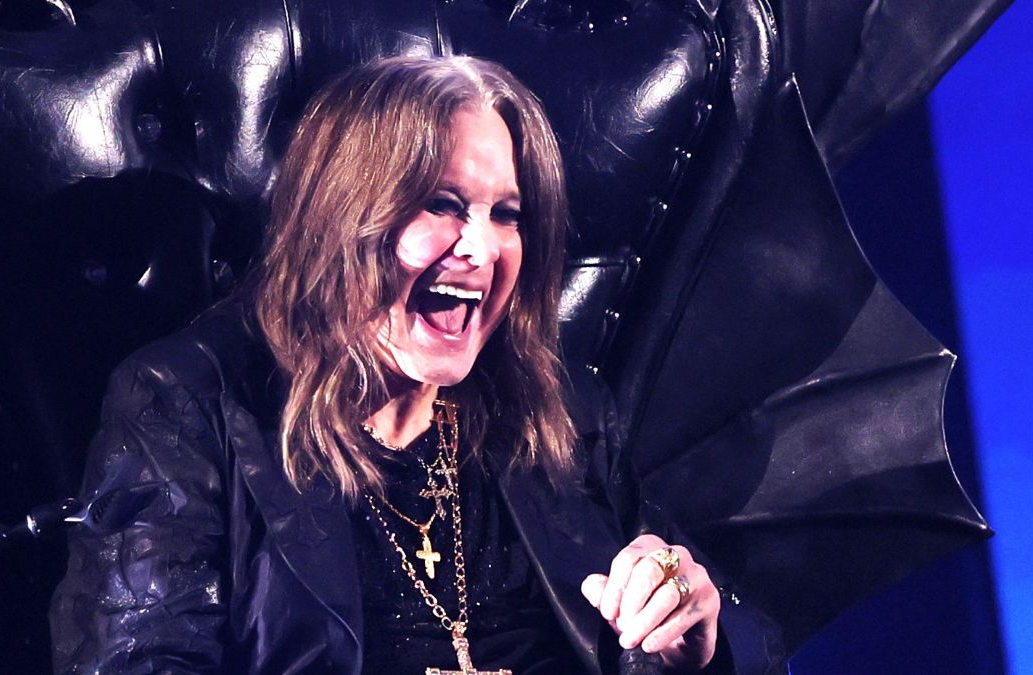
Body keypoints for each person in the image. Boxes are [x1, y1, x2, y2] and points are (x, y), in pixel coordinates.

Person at [50, 56, 722, 674]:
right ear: (341, 217)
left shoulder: (562, 411)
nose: (482, 249)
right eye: (442, 205)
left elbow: (699, 628)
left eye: (507, 214)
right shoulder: (185, 402)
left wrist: (687, 649)